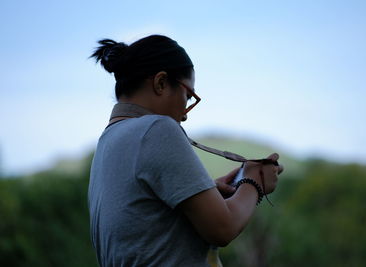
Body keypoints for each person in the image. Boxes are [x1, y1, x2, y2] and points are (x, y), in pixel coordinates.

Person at [88, 35, 283, 267]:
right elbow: (223, 228)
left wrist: (202, 191)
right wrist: (254, 182)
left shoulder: (109, 141)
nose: (185, 114)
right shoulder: (156, 128)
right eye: (188, 96)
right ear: (160, 83)